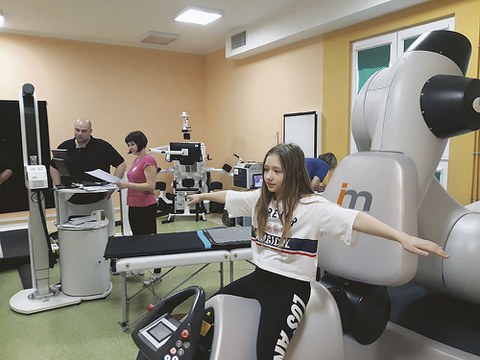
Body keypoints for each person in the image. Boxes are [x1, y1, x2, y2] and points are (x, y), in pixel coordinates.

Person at [186, 143, 449, 359]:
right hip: (259, 278)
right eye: (267, 169)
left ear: (292, 173)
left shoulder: (312, 207)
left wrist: (402, 238)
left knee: (268, 354)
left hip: (290, 288)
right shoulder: (260, 199)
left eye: (276, 171)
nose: (269, 176)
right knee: (208, 310)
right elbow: (230, 196)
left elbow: (356, 218)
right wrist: (202, 197)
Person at [115, 130, 160, 282]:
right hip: (133, 204)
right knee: (137, 239)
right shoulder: (135, 161)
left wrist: (126, 184)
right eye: (129, 145)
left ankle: (157, 273)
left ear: (140, 143)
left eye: (133, 144)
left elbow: (150, 185)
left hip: (146, 206)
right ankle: (140, 268)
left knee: (150, 241)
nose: (131, 147)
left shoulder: (148, 160)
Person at [49, 118, 126, 186]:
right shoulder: (65, 146)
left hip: (100, 196)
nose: (80, 133)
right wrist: (58, 186)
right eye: (77, 130)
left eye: (84, 131)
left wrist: (113, 186)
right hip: (70, 195)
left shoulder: (102, 146)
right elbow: (53, 166)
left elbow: (121, 164)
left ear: (90, 131)